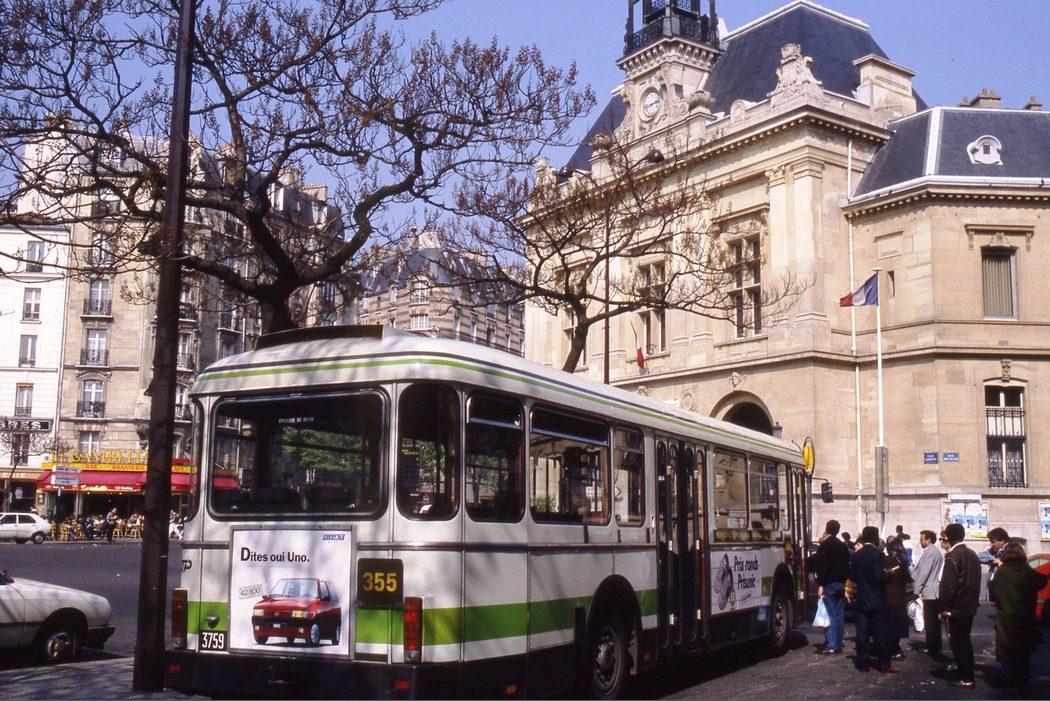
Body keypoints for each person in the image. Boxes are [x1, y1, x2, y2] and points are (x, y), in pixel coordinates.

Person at [988, 542, 1048, 694]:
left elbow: (993, 592)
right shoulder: (1027, 571)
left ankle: (1010, 678)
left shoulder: (1003, 572)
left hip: (1006, 619)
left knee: (1008, 651)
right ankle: (1022, 683)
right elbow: (1041, 581)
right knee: (1024, 653)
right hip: (1025, 617)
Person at [847, 526, 900, 673]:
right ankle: (884, 663)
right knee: (880, 634)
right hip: (877, 599)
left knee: (862, 633)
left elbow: (852, 577)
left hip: (862, 598)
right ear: (876, 538)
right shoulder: (878, 554)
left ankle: (863, 663)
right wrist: (889, 573)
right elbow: (879, 576)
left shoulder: (856, 555)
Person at [937, 522, 981, 689]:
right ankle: (964, 671)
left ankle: (966, 677)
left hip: (957, 606)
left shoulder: (953, 555)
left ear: (950, 537)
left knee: (959, 642)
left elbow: (948, 585)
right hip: (969, 604)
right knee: (964, 641)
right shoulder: (972, 554)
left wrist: (944, 607)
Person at [810, 519, 851, 655]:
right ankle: (838, 643)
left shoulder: (825, 546)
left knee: (830, 614)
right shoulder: (843, 546)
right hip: (840, 583)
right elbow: (847, 565)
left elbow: (823, 566)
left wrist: (821, 584)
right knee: (839, 614)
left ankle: (832, 644)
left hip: (829, 583)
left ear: (827, 529)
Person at [912, 529, 944, 657]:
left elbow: (924, 573)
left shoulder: (930, 553)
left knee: (931, 622)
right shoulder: (933, 552)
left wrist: (917, 590)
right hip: (931, 590)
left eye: (922, 539)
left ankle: (933, 647)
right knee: (932, 621)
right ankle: (933, 645)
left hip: (929, 591)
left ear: (929, 540)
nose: (920, 542)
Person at [884, 536, 911, 660]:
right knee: (897, 625)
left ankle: (893, 650)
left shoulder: (888, 560)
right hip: (900, 595)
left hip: (890, 595)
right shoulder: (903, 561)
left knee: (891, 625)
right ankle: (896, 648)